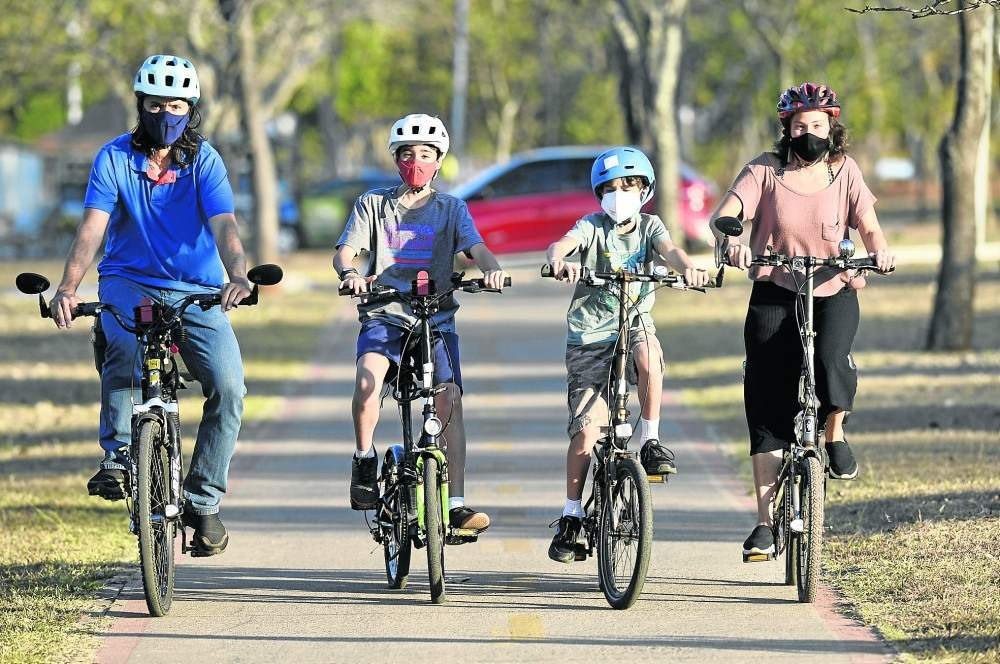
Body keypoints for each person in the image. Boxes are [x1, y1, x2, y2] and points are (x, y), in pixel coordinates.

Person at [49, 54, 251, 556]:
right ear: (141, 105)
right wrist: (69, 287)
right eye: (156, 103)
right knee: (120, 346)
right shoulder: (114, 158)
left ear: (192, 109)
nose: (166, 113)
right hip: (128, 281)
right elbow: (93, 228)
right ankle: (118, 457)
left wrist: (239, 275)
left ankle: (203, 501)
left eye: (176, 104)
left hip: (196, 288)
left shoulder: (204, 159)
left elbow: (224, 224)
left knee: (229, 386)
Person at [708, 82, 896, 561]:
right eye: (799, 126)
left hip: (833, 284)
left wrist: (879, 251)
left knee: (832, 361)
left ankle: (834, 434)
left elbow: (869, 223)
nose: (809, 133)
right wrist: (730, 235)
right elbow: (729, 211)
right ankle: (765, 524)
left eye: (817, 125)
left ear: (832, 127)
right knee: (767, 397)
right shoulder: (764, 170)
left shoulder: (845, 171)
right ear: (786, 130)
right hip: (776, 285)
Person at [334, 113, 507, 533]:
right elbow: (346, 252)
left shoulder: (451, 208)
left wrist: (493, 270)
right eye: (407, 154)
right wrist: (350, 274)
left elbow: (476, 249)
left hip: (436, 318)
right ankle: (364, 460)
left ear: (439, 160)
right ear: (396, 160)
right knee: (367, 382)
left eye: (426, 154)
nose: (416, 161)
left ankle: (457, 504)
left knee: (450, 401)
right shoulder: (373, 204)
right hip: (386, 314)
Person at [545, 146, 710, 563]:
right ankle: (571, 513)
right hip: (589, 337)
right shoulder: (592, 226)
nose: (620, 194)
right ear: (599, 194)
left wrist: (687, 267)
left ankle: (651, 440)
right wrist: (560, 261)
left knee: (650, 354)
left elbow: (672, 250)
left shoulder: (651, 226)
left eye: (629, 186)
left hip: (634, 322)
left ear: (645, 190)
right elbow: (561, 244)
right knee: (586, 431)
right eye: (611, 188)